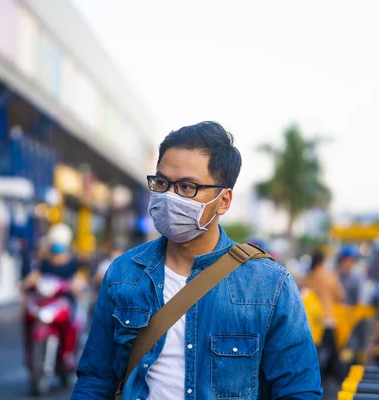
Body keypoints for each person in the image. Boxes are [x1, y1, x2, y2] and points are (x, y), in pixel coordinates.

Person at [72, 121, 321, 399]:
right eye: (162, 182)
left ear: (223, 201)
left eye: (187, 187)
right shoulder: (123, 273)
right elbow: (96, 379)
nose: (169, 196)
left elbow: (299, 390)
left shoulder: (269, 285)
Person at [21, 223, 88, 370]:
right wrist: (25, 283)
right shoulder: (44, 261)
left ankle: (68, 355)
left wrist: (76, 284)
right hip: (46, 301)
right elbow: (34, 275)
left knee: (75, 323)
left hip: (65, 302)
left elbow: (80, 279)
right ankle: (30, 355)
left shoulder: (73, 261)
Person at [300, 250, 346, 379]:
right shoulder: (329, 277)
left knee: (314, 352)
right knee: (333, 353)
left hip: (313, 322)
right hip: (328, 319)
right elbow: (340, 295)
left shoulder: (307, 278)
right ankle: (333, 381)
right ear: (323, 262)